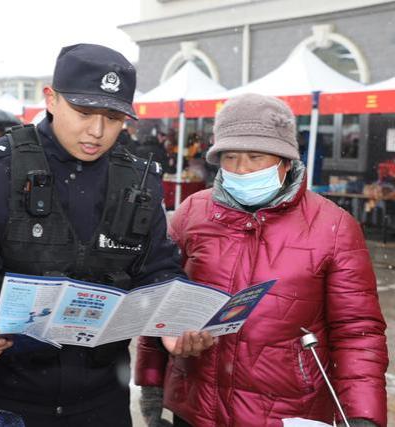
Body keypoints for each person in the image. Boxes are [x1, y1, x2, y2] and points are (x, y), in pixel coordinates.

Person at [0, 43, 213, 427]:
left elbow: (157, 266)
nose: (97, 131)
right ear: (50, 99)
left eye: (113, 118)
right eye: (83, 112)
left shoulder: (140, 179)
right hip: (7, 393)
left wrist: (174, 320)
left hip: (103, 397)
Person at [135, 93, 388, 427]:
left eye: (255, 157)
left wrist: (361, 414)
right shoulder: (192, 212)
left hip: (287, 413)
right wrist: (151, 380)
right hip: (196, 408)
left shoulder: (334, 226)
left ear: (285, 161)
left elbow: (357, 331)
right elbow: (161, 296)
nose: (242, 169)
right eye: (231, 157)